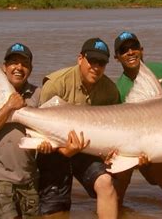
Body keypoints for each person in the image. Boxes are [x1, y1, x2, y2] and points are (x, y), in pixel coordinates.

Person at [36, 38, 119, 218]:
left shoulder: (110, 90)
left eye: (102, 63)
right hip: (55, 150)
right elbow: (40, 126)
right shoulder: (56, 83)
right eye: (92, 61)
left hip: (87, 150)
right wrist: (63, 150)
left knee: (106, 183)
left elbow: (115, 128)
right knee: (56, 209)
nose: (96, 67)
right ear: (80, 59)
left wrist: (110, 152)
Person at [113, 31, 162, 217]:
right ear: (117, 58)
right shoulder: (116, 89)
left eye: (134, 47)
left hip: (160, 140)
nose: (130, 52)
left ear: (142, 49)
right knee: (113, 198)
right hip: (129, 145)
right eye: (123, 50)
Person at [0, 43, 41, 218]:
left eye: (24, 64)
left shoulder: (37, 94)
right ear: (4, 67)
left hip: (29, 177)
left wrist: (47, 145)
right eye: (13, 62)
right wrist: (9, 106)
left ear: (31, 69)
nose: (19, 67)